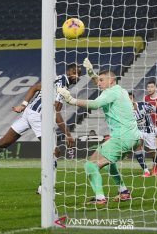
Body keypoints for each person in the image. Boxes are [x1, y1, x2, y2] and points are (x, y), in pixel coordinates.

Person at [0, 64, 82, 187]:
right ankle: (44, 188)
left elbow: (34, 87)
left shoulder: (56, 79)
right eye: (76, 73)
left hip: (29, 112)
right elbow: (56, 113)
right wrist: (68, 135)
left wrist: (23, 105)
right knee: (54, 151)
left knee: (4, 142)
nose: (78, 77)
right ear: (69, 72)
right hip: (38, 116)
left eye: (80, 74)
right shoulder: (62, 85)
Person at [58, 61, 140, 205]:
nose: (98, 83)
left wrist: (71, 100)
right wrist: (91, 73)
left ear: (111, 80)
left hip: (122, 137)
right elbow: (101, 82)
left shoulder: (110, 92)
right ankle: (124, 192)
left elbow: (95, 104)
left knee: (90, 166)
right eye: (98, 80)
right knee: (108, 163)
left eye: (102, 80)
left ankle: (100, 198)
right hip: (131, 136)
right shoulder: (119, 90)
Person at [128, 92, 157, 177]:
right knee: (137, 148)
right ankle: (146, 171)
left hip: (149, 130)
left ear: (133, 99)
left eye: (130, 98)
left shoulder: (143, 105)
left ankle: (155, 166)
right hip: (137, 131)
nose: (129, 100)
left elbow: (156, 110)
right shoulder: (125, 111)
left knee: (152, 151)